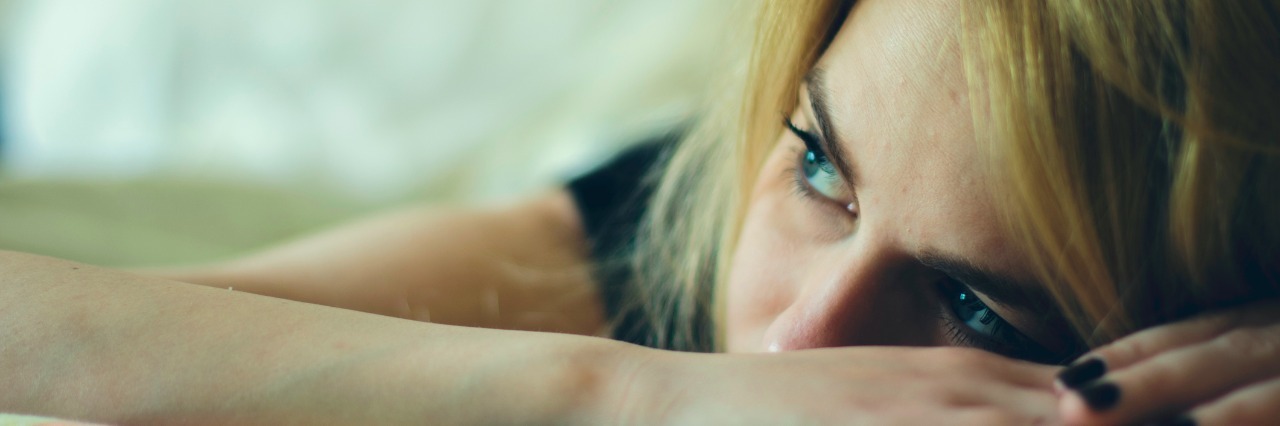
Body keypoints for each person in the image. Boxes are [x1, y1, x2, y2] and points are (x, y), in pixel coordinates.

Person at [2, 0, 1278, 424]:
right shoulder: (669, 224)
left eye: (977, 309)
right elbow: (52, 335)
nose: (788, 346)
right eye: (822, 172)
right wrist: (623, 387)